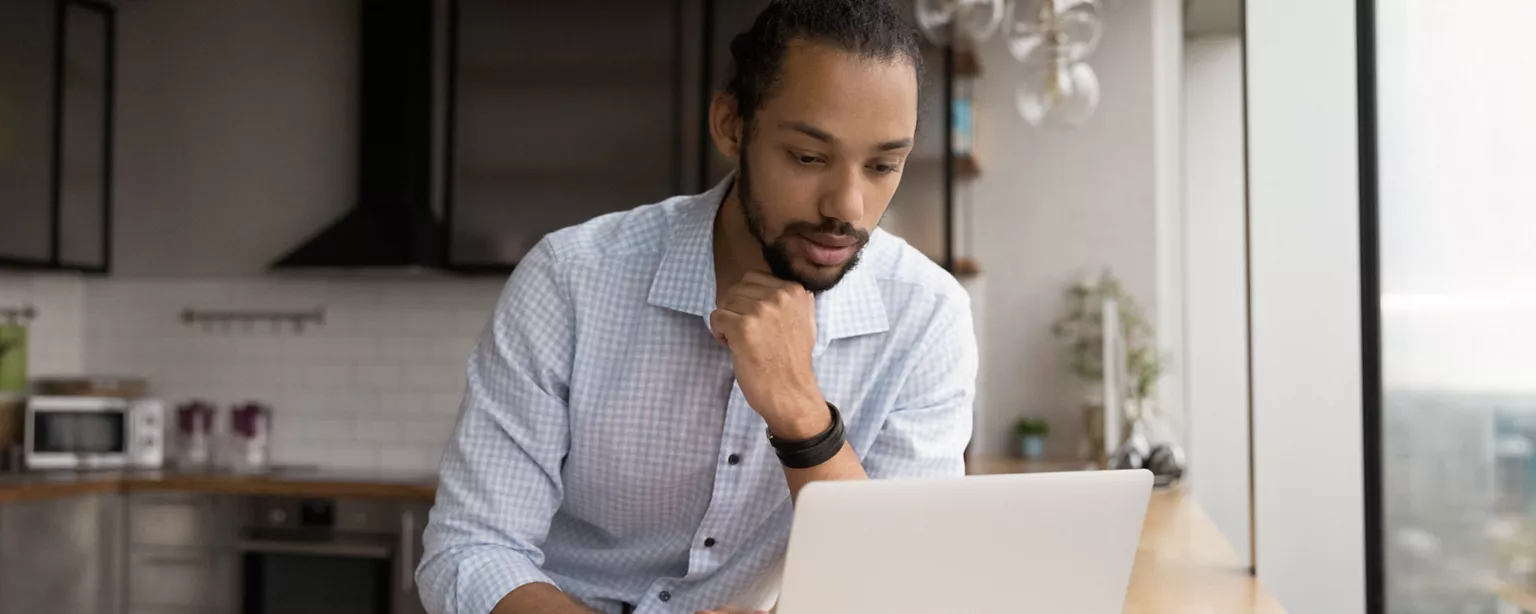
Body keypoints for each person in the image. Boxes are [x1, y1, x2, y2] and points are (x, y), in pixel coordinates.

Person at [416, 1, 977, 612]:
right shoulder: (571, 280)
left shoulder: (926, 317)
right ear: (732, 125)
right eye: (809, 157)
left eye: (882, 165)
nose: (847, 205)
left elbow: (902, 592)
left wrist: (802, 415)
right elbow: (470, 550)